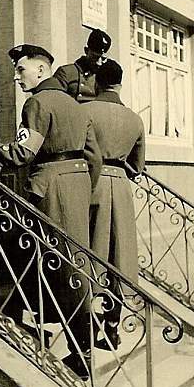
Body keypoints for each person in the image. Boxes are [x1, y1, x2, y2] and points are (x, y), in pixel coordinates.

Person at [0, 43, 102, 379]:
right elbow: (94, 158)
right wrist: (81, 186)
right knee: (73, 266)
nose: (16, 77)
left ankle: (49, 337)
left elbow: (20, 153)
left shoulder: (38, 103)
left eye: (21, 70)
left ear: (41, 70)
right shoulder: (76, 105)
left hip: (48, 190)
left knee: (34, 257)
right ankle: (82, 346)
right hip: (76, 187)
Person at [82, 59, 145, 351]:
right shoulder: (134, 119)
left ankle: (87, 321)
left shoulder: (84, 111)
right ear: (120, 84)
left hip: (90, 182)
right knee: (118, 254)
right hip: (119, 185)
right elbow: (138, 167)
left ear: (96, 82)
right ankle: (112, 325)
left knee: (89, 249)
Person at [53, 29, 111, 103]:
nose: (99, 63)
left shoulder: (105, 77)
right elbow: (55, 100)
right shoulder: (66, 73)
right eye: (95, 57)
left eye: (103, 59)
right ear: (86, 51)